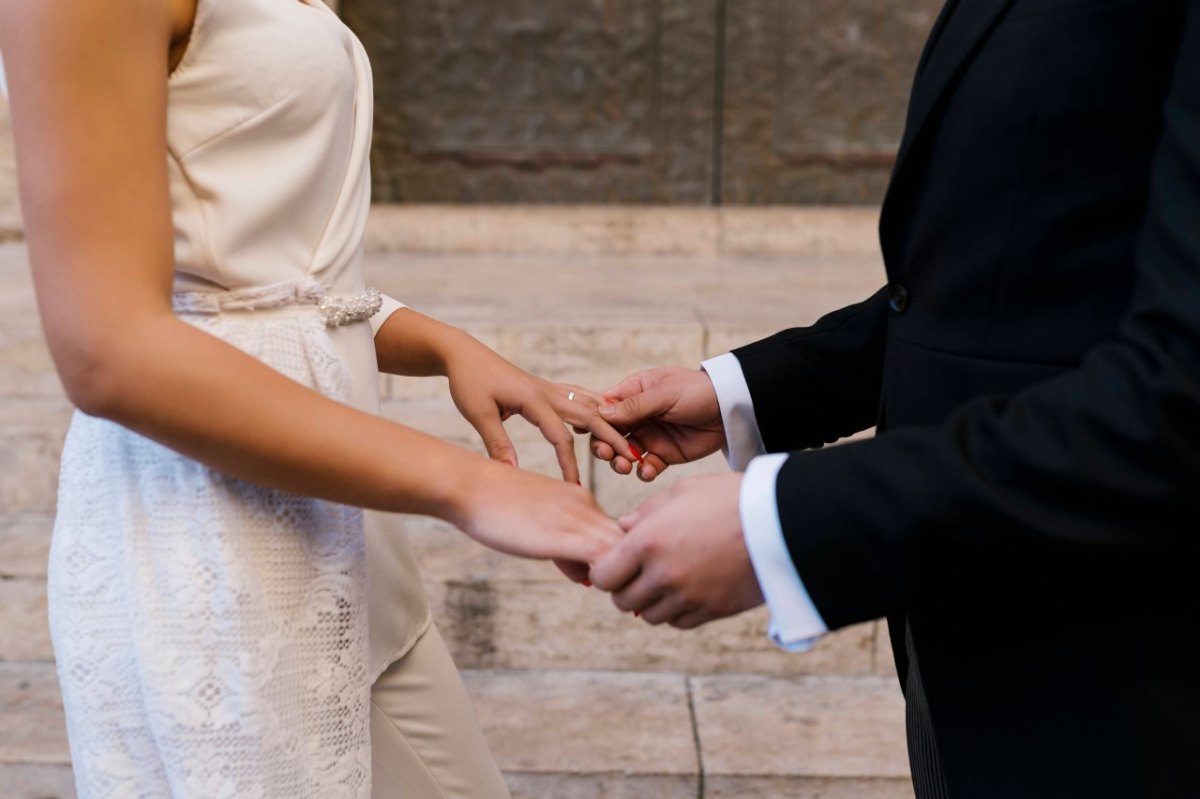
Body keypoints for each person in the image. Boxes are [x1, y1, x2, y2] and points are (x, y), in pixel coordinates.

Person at [0, 1, 637, 797]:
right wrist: (467, 482)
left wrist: (441, 345)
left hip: (338, 524)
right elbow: (108, 351)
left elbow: (260, 276)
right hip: (213, 534)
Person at [588, 0, 1200, 796]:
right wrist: (747, 391)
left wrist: (783, 524)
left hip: (1132, 678)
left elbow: (1178, 393)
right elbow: (1021, 283)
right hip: (971, 648)